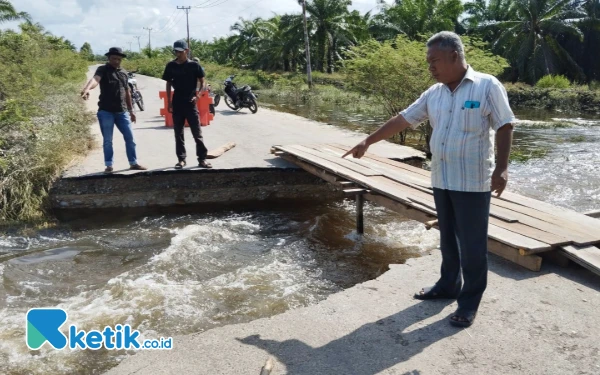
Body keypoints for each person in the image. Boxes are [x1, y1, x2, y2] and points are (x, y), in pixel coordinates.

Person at [343, 31, 515, 328]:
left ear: (454, 56)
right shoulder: (433, 94)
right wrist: (368, 141)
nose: (430, 67)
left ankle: (470, 300)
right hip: (442, 177)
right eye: (428, 62)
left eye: (434, 60)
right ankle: (448, 285)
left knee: (473, 244)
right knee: (448, 238)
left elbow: (505, 124)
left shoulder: (487, 86)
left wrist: (501, 168)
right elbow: (403, 119)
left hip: (472, 180)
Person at [80, 47, 146, 174]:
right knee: (108, 140)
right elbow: (95, 80)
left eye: (119, 59)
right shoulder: (103, 69)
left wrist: (131, 111)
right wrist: (87, 88)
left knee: (130, 138)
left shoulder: (124, 73)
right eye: (114, 58)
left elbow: (127, 92)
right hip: (106, 112)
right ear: (109, 58)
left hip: (122, 112)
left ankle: (133, 163)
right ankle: (109, 165)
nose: (116, 61)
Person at [162, 40, 212, 169]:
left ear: (186, 51)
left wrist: (198, 95)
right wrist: (169, 102)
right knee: (178, 133)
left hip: (190, 103)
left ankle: (202, 159)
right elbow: (168, 83)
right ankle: (181, 160)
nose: (178, 53)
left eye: (180, 51)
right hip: (177, 102)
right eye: (176, 51)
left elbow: (203, 81)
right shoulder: (171, 65)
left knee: (197, 133)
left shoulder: (194, 66)